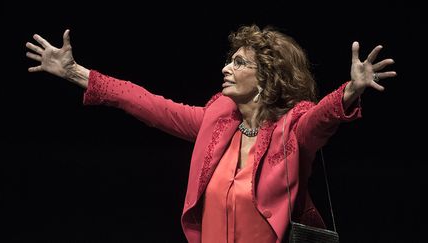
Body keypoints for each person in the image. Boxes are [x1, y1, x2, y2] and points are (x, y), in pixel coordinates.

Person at [25, 24, 396, 243]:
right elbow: (149, 104)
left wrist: (351, 90)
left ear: (267, 76)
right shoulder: (217, 122)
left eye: (239, 62)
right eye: (229, 60)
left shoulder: (292, 129)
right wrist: (77, 73)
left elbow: (320, 119)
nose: (226, 67)